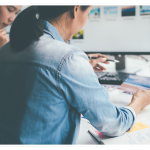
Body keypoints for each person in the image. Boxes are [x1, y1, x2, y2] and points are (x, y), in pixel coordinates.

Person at [0, 6, 150, 144]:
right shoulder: (67, 58)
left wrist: (77, 68)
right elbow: (113, 124)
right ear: (76, 9)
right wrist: (139, 102)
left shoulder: (6, 49)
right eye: (88, 13)